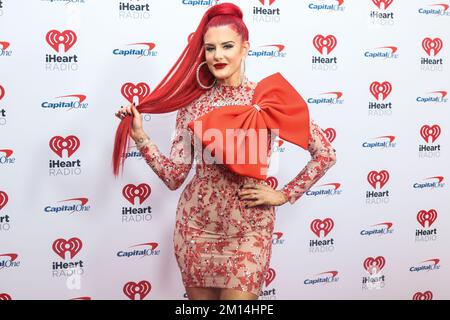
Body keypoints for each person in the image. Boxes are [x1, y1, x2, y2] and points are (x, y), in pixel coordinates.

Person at [113, 3, 336, 300]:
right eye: (210, 48)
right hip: (196, 227)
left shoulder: (267, 99)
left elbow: (325, 153)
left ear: (245, 48)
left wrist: (285, 193)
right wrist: (141, 138)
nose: (218, 55)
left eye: (227, 46)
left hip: (249, 230)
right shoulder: (193, 107)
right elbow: (174, 177)